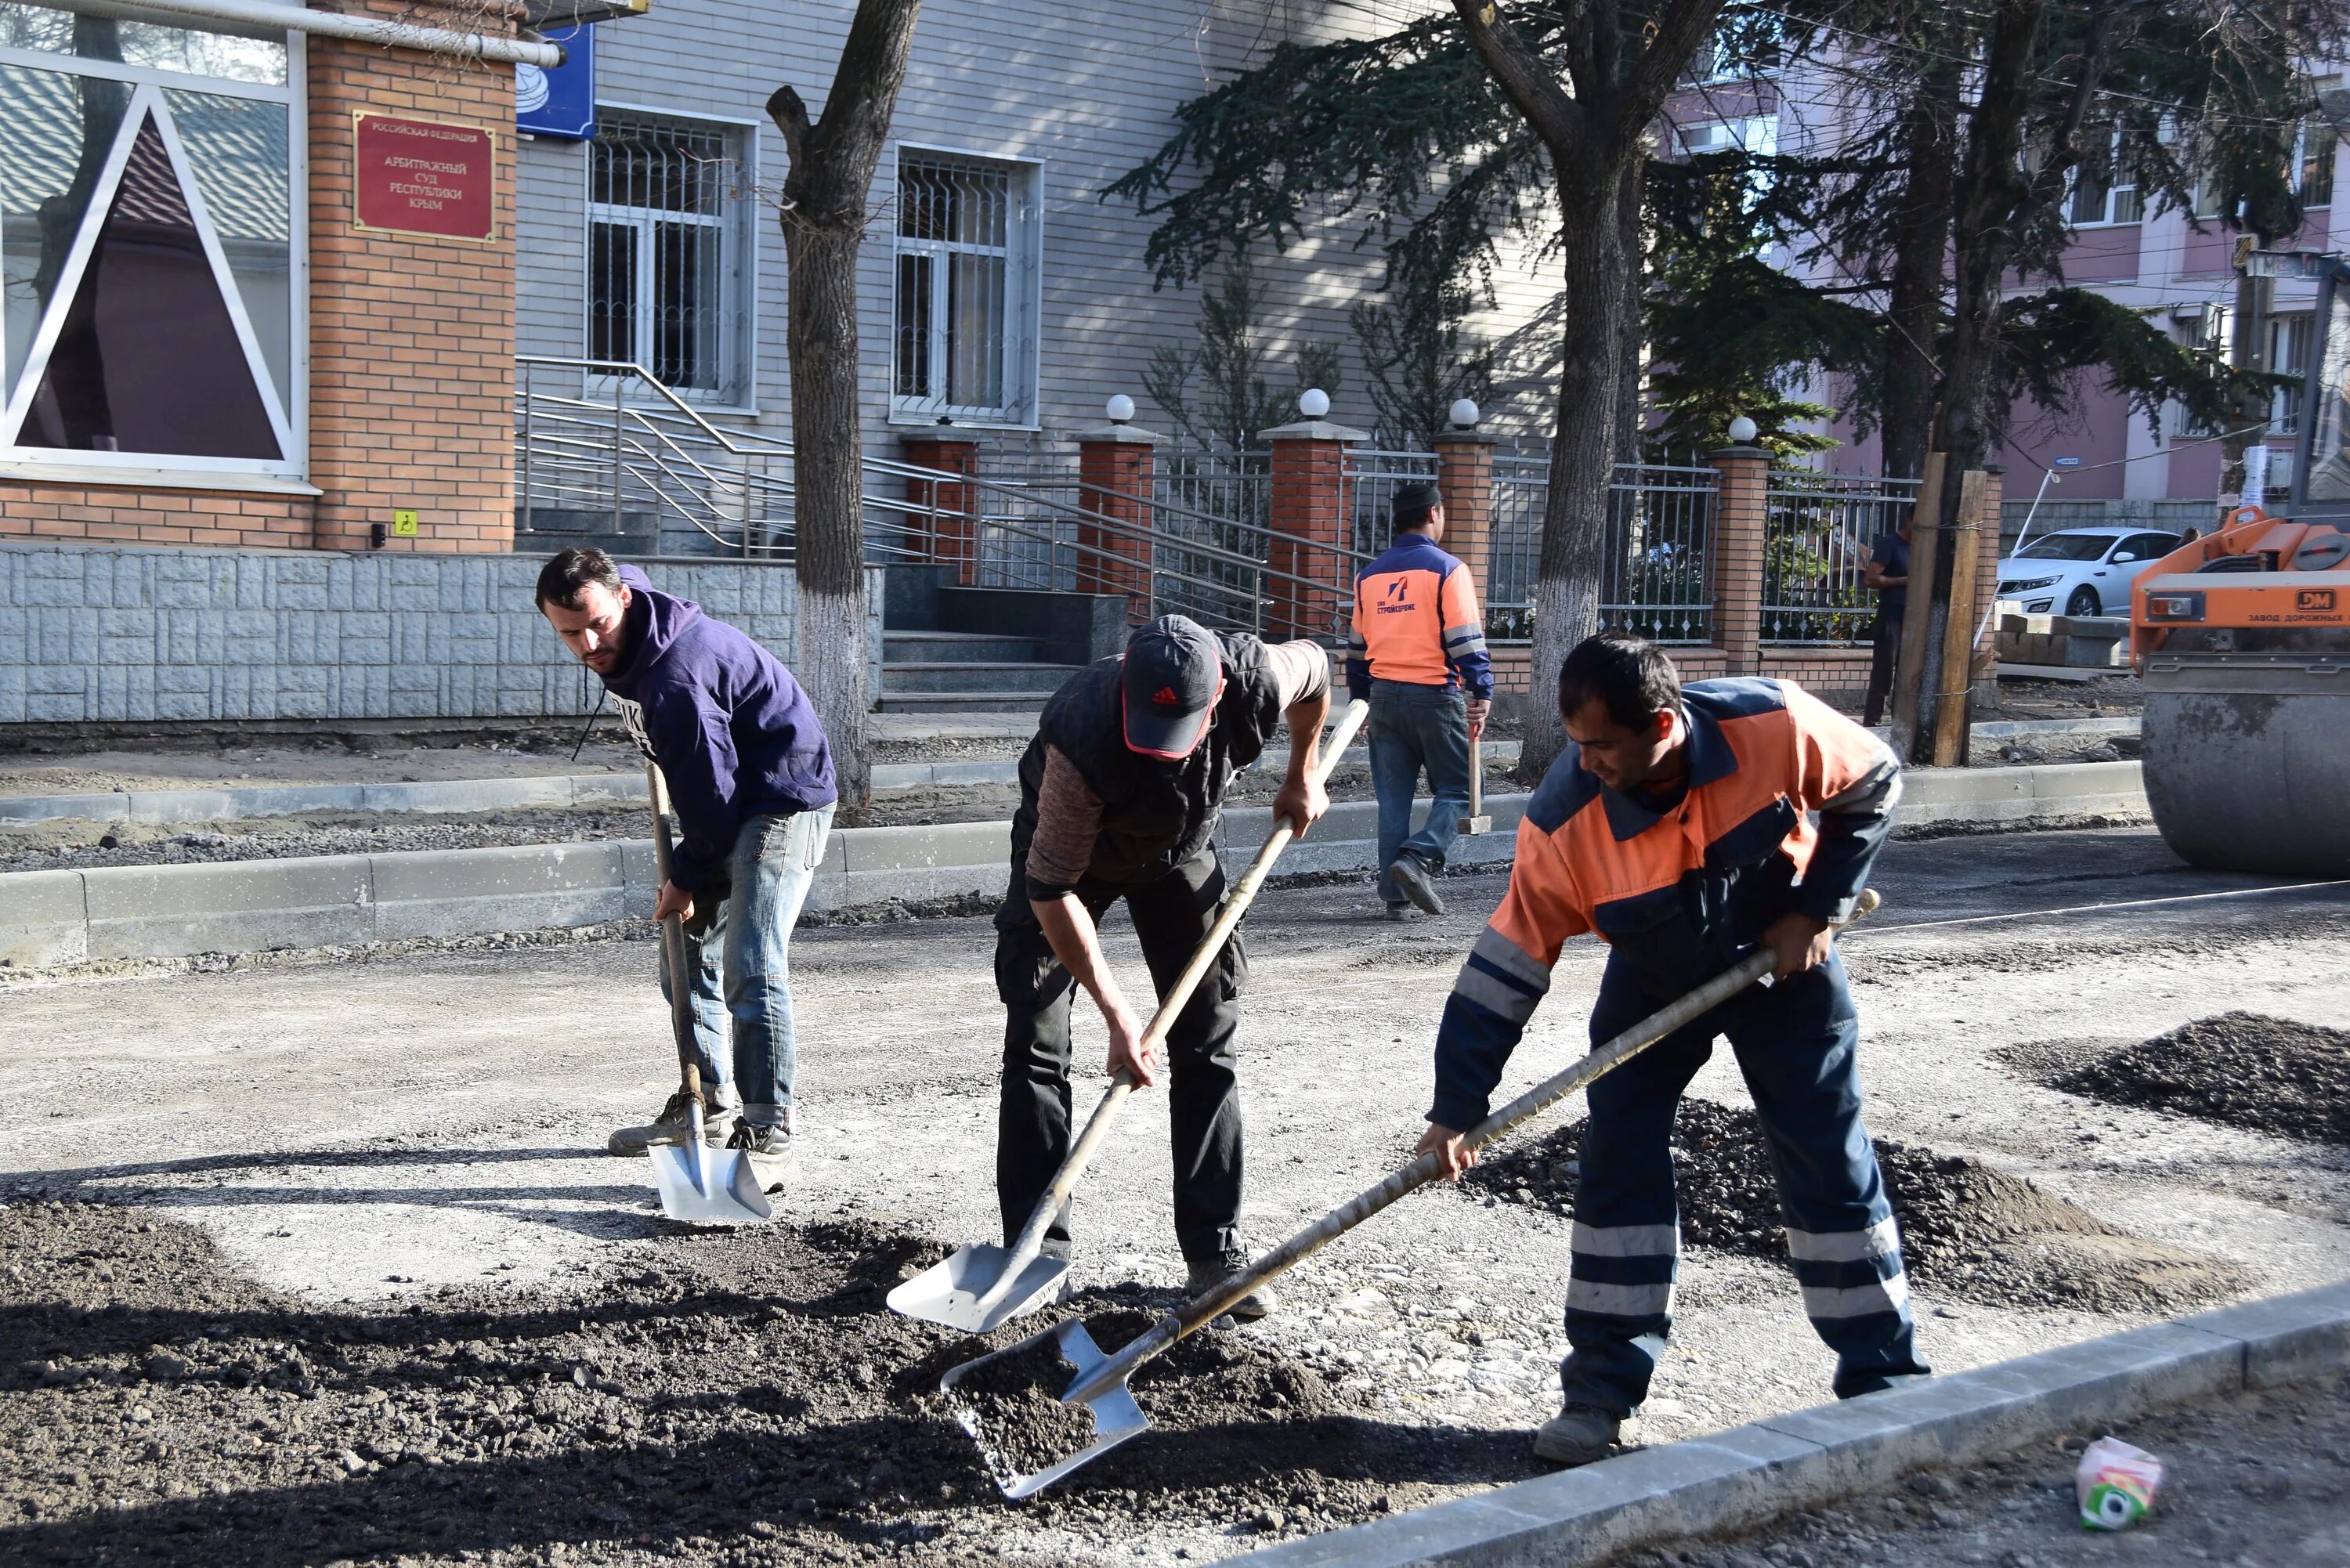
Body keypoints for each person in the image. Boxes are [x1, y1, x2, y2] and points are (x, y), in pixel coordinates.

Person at [1415, 634, 1928, 1465]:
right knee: (1618, 1155)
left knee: (1826, 1151)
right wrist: (1456, 1107)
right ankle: (1599, 1391)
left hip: (1781, 962)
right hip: (1654, 972)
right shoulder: (1564, 820)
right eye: (1576, 744)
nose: (1585, 763)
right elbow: (1506, 968)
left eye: (1601, 746)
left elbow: (1874, 780)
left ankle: (1885, 1375)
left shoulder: (1773, 725)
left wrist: (1817, 908)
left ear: (1662, 723)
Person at [997, 614, 1332, 1317]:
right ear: (1125, 686)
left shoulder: (1256, 677)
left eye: (1175, 733)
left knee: (1206, 1040)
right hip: (1071, 866)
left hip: (1180, 852)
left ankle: (1214, 1253)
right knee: (1037, 1042)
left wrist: (1303, 773)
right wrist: (1118, 1015)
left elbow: (1319, 672)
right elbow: (1052, 891)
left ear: (1218, 698)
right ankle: (1037, 1256)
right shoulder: (1081, 735)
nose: (1159, 753)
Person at [535, 547, 837, 1190]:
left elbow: (711, 801)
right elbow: (710, 796)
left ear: (623, 600)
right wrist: (690, 875)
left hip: (781, 800)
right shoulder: (628, 613)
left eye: (597, 625)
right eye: (569, 633)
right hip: (730, 799)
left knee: (751, 964)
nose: (588, 644)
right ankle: (707, 1104)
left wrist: (684, 876)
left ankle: (768, 1128)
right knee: (685, 958)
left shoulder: (676, 682)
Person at [1347, 481, 1494, 920]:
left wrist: (1360, 701)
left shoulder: (1368, 576)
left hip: (1383, 698)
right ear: (1434, 513)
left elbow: (1356, 648)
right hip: (1434, 696)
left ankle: (1395, 897)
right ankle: (1419, 858)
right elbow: (1465, 639)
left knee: (1393, 799)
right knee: (1463, 787)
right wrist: (1482, 689)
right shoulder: (1449, 569)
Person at [1861, 511, 1912, 727]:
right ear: (1909, 520)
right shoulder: (1890, 544)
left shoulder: (1927, 546)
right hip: (1892, 615)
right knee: (1885, 667)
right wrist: (1906, 580)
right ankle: (1873, 720)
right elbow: (1870, 579)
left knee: (1909, 670)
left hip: (1915, 618)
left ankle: (1902, 720)